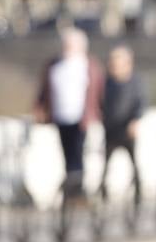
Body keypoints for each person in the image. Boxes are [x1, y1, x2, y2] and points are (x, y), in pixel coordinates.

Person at [34, 28, 104, 202]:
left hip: (81, 118)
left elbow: (100, 92)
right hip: (60, 116)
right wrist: (40, 108)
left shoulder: (89, 66)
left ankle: (77, 191)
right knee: (66, 154)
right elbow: (44, 90)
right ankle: (71, 192)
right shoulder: (54, 65)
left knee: (78, 154)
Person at [99, 45, 145, 205]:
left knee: (134, 163)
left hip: (127, 130)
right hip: (110, 129)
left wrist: (135, 121)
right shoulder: (107, 83)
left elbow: (140, 103)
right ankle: (103, 193)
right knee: (105, 164)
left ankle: (138, 192)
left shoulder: (135, 82)